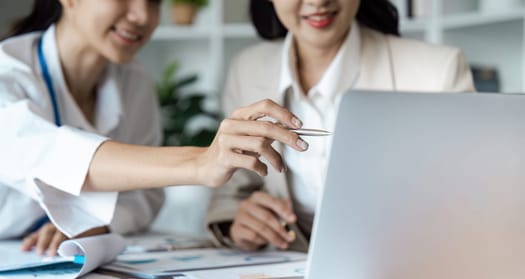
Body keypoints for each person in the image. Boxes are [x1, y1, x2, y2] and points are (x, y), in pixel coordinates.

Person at [0, 0, 308, 255]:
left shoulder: (132, 79)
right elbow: (46, 155)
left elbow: (144, 196)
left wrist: (91, 223)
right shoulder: (8, 73)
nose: (142, 16)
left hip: (58, 261)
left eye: (154, 2)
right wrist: (201, 162)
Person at [206, 0, 475, 251]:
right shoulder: (247, 69)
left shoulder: (437, 73)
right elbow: (232, 189)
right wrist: (239, 222)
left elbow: (469, 205)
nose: (318, 1)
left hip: (401, 272)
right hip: (282, 275)